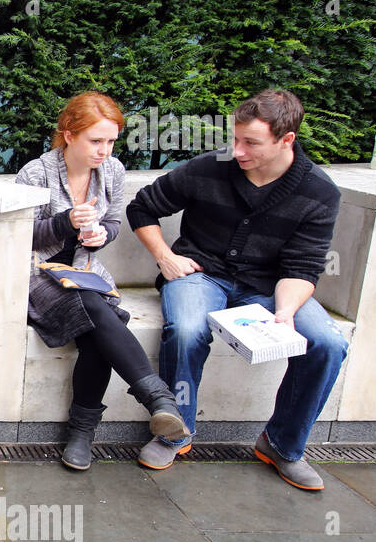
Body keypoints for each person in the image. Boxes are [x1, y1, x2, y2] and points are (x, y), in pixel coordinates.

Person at [127, 89, 348, 490]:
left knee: (328, 344)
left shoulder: (319, 192)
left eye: (251, 142)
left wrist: (285, 312)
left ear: (286, 140)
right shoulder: (209, 167)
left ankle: (282, 445)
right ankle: (175, 432)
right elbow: (142, 207)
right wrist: (164, 255)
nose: (237, 150)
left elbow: (303, 268)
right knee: (187, 329)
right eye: (235, 138)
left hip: (272, 287)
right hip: (200, 274)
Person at [16, 92, 187, 470]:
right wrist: (65, 223)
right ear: (69, 134)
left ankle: (83, 432)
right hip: (37, 276)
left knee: (96, 334)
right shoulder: (36, 173)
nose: (104, 150)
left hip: (85, 272)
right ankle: (156, 397)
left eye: (110, 141)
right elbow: (18, 235)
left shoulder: (112, 171)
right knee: (95, 310)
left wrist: (101, 236)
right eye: (96, 141)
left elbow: (111, 223)